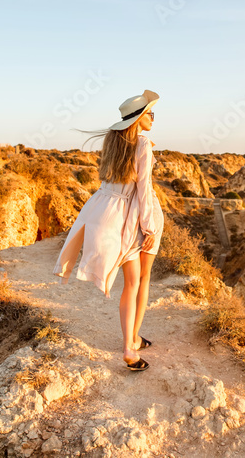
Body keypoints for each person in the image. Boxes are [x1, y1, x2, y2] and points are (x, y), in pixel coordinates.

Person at [52, 89, 165, 371]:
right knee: (139, 281)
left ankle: (132, 342)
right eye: (150, 113)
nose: (153, 117)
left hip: (104, 210)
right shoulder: (142, 144)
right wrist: (148, 225)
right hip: (133, 213)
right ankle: (131, 344)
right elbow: (143, 188)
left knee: (131, 282)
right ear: (139, 118)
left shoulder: (113, 142)